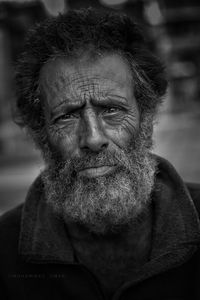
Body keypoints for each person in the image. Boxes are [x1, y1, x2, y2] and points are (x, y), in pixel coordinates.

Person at [0, 8, 200, 300]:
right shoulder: (4, 250)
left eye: (112, 109)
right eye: (66, 116)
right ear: (39, 132)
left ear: (145, 117)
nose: (93, 138)